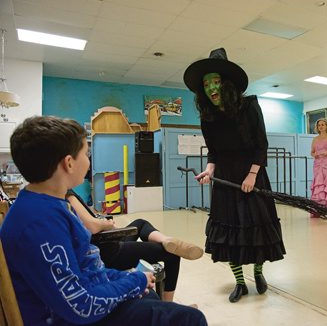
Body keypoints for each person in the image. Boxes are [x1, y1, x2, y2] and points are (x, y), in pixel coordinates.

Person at [0, 116, 207, 325]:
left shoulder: (44, 205)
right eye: (86, 154)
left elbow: (85, 271)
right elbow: (80, 305)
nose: (89, 161)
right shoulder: (39, 222)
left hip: (81, 300)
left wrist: (129, 280)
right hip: (71, 318)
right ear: (69, 163)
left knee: (149, 295)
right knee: (192, 319)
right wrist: (134, 280)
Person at [183, 48, 286, 303]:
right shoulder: (207, 117)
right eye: (206, 84)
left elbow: (261, 144)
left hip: (252, 173)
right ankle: (240, 282)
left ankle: (259, 273)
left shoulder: (249, 106)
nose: (210, 88)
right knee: (229, 232)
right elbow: (214, 151)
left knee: (255, 228)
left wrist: (252, 175)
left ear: (226, 84)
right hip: (226, 180)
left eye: (215, 81)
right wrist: (209, 169)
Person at [66, 189, 203, 303]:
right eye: (84, 156)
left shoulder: (58, 198)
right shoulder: (68, 195)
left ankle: (167, 240)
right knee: (172, 255)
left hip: (103, 245)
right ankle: (169, 306)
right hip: (107, 251)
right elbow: (92, 226)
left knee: (139, 223)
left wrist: (101, 223)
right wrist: (106, 224)